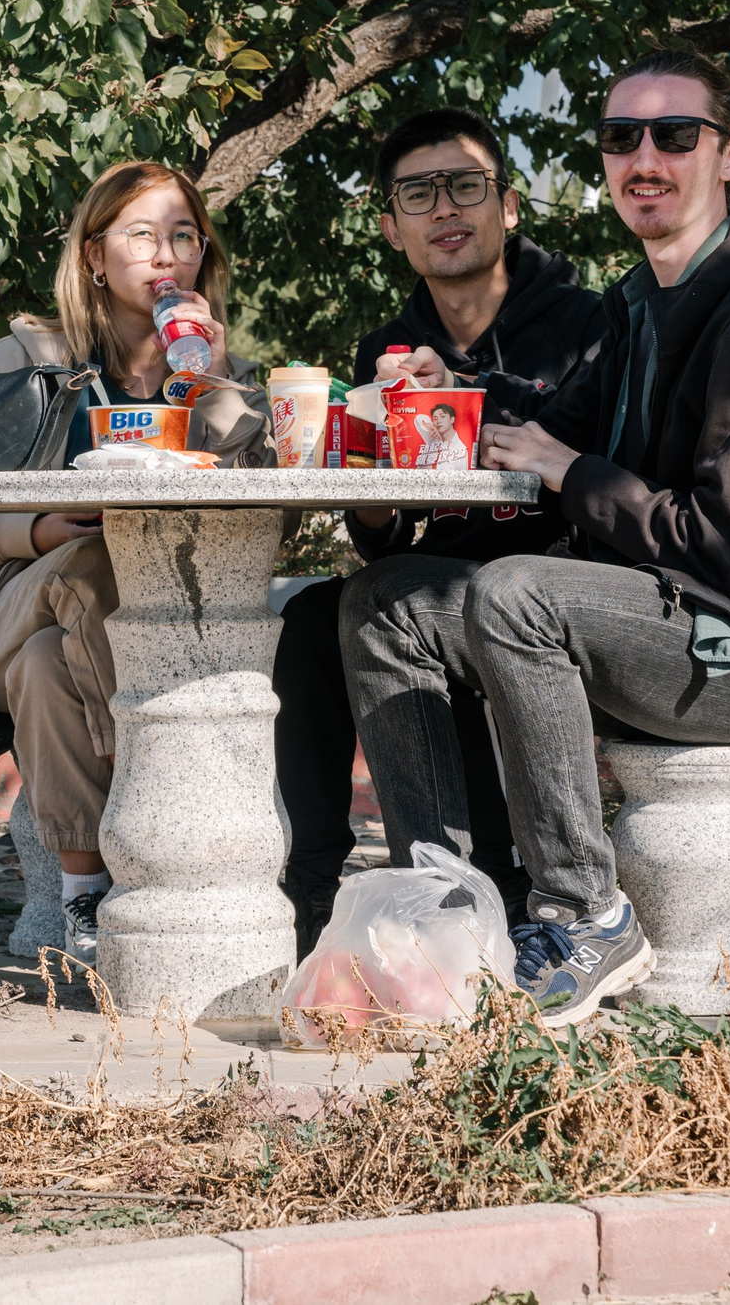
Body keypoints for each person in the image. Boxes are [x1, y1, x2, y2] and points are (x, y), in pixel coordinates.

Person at [442, 43, 730, 1025]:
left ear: (728, 157)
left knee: (514, 597)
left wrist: (572, 473)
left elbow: (725, 545)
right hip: (670, 617)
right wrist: (435, 401)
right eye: (620, 136)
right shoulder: (641, 302)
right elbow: (554, 430)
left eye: (674, 135)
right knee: (387, 609)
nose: (644, 156)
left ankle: (584, 917)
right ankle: (456, 905)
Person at [0, 162, 268, 961]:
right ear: (96, 258)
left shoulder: (224, 381)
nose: (168, 255)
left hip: (102, 634)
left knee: (50, 667)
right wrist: (36, 528)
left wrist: (204, 387)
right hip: (4, 613)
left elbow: (265, 513)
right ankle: (165, 798)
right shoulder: (20, 361)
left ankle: (84, 898)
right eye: (143, 235)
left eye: (185, 237)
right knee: (91, 564)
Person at [271, 108, 605, 955]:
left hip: (556, 583)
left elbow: (590, 459)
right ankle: (311, 901)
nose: (445, 209)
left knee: (390, 600)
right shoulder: (385, 345)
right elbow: (378, 532)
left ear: (510, 206)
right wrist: (361, 466)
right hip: (432, 583)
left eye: (466, 185)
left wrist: (459, 389)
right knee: (314, 616)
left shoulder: (588, 324)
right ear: (392, 226)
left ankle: (455, 898)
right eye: (419, 194)